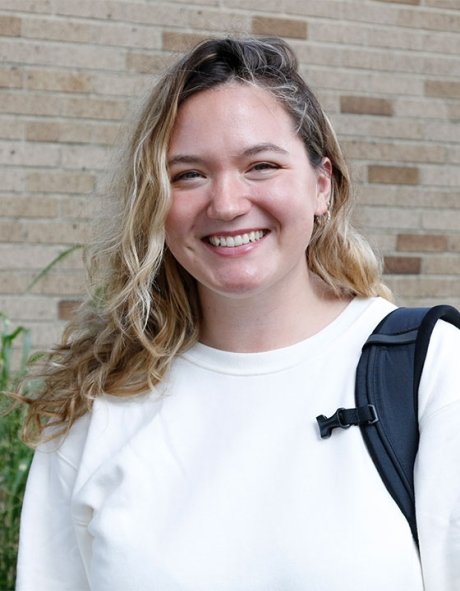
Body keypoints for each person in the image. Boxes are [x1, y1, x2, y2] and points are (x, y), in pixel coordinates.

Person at [16, 37, 460, 591]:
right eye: (188, 175)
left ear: (321, 186)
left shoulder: (430, 371)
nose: (226, 203)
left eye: (261, 165)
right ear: (155, 201)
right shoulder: (97, 404)